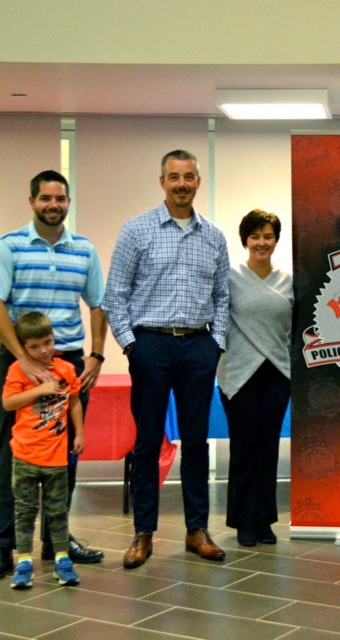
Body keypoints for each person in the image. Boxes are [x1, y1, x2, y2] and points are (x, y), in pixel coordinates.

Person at [103, 149, 230, 569]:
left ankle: (197, 530)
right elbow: (114, 295)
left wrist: (218, 343)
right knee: (146, 443)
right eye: (174, 177)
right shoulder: (136, 231)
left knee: (196, 443)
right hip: (150, 347)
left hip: (198, 347)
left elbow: (223, 298)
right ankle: (143, 533)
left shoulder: (214, 236)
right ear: (162, 182)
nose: (181, 184)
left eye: (189, 177)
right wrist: (130, 345)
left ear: (197, 182)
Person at [0, 169, 106, 582]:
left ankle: (57, 542)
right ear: (31, 201)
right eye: (46, 198)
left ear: (68, 202)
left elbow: (99, 304)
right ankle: (2, 547)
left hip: (68, 359)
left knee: (65, 450)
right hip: (19, 359)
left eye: (61, 198)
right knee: (10, 451)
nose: (54, 205)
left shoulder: (84, 250)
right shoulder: (9, 246)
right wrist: (25, 360)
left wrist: (97, 355)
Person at [217, 209, 293, 547]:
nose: (262, 243)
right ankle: (243, 522)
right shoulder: (230, 279)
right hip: (239, 375)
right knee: (244, 451)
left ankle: (264, 521)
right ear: (245, 240)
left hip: (277, 374)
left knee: (267, 451)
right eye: (255, 236)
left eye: (268, 236)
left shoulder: (289, 281)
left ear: (276, 240)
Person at [3, 312, 84, 589]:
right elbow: (8, 403)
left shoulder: (66, 369)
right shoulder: (18, 370)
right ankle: (24, 560)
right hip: (25, 455)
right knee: (25, 511)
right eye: (34, 346)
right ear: (24, 348)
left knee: (57, 511)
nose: (43, 350)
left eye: (47, 342)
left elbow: (74, 401)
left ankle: (62, 559)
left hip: (56, 457)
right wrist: (39, 391)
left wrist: (79, 433)